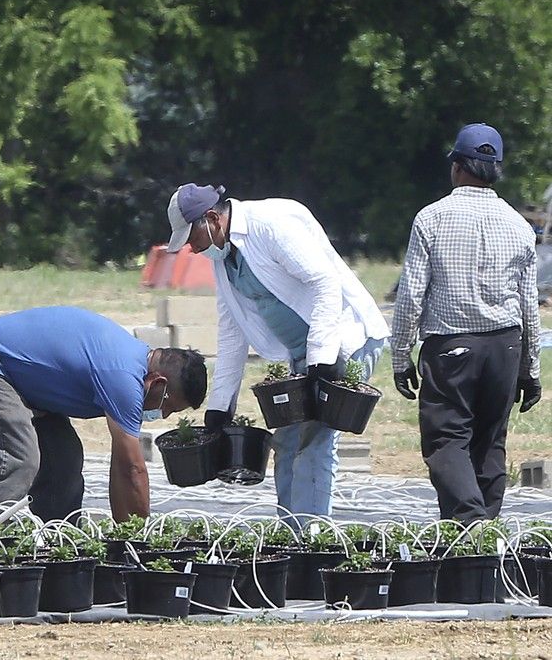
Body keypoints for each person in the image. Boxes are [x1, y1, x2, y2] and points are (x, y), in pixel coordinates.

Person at [166, 183, 390, 521]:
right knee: (286, 443)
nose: (192, 250)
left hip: (343, 340)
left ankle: (310, 538)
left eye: (192, 239)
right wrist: (219, 407)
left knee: (314, 440)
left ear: (212, 218)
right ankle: (289, 532)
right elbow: (232, 331)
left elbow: (324, 282)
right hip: (306, 357)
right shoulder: (224, 258)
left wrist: (322, 358)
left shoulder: (269, 224)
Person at [391, 123, 541, 523]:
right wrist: (531, 371)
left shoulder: (432, 218)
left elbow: (411, 294)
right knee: (491, 443)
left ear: (457, 167)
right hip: (505, 346)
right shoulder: (519, 225)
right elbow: (529, 304)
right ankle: (483, 547)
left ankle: (470, 523)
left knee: (446, 441)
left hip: (452, 346)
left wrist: (400, 355)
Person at [0, 306, 207, 521]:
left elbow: (120, 465)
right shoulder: (124, 377)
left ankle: (59, 542)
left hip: (27, 382)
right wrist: (141, 537)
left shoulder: (132, 365)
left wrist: (123, 532)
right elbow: (133, 469)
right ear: (159, 383)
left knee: (64, 459)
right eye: (167, 406)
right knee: (18, 460)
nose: (162, 415)